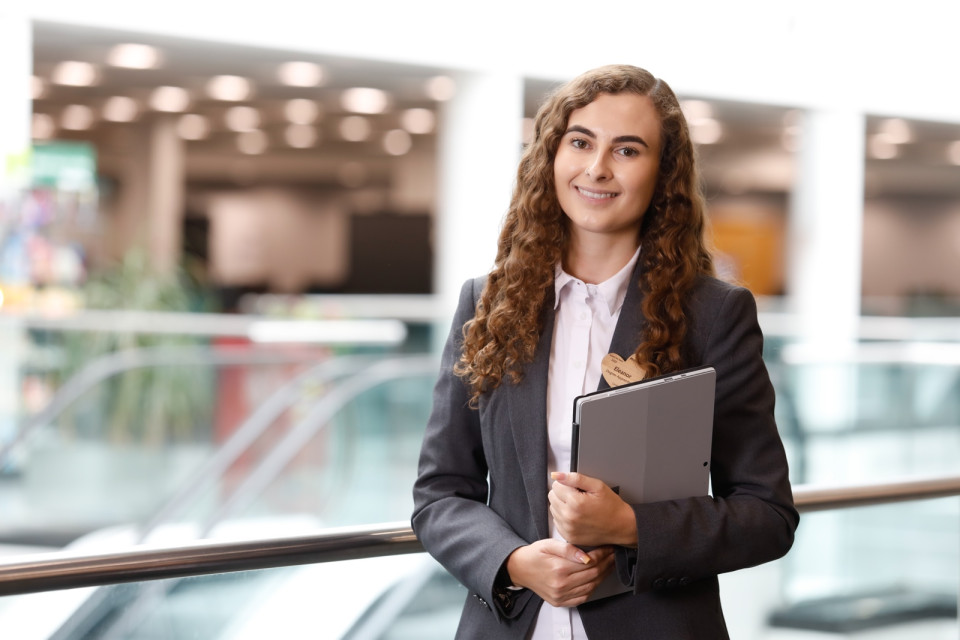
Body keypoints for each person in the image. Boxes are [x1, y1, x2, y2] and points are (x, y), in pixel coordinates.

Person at [412, 64, 798, 639]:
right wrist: (514, 563)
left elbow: (768, 515)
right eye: (580, 142)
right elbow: (440, 493)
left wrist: (634, 526)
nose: (597, 168)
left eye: (627, 150)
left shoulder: (714, 315)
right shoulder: (485, 303)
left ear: (662, 174)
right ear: (552, 155)